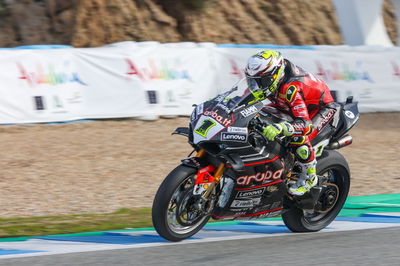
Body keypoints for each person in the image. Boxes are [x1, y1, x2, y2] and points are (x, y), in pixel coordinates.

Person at [244, 50, 334, 196]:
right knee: (256, 115)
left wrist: (282, 127)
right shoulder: (271, 78)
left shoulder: (290, 88)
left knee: (297, 135)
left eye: (261, 81)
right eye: (253, 80)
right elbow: (244, 99)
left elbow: (305, 124)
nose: (257, 85)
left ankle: (309, 177)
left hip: (319, 109)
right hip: (288, 106)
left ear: (275, 75)